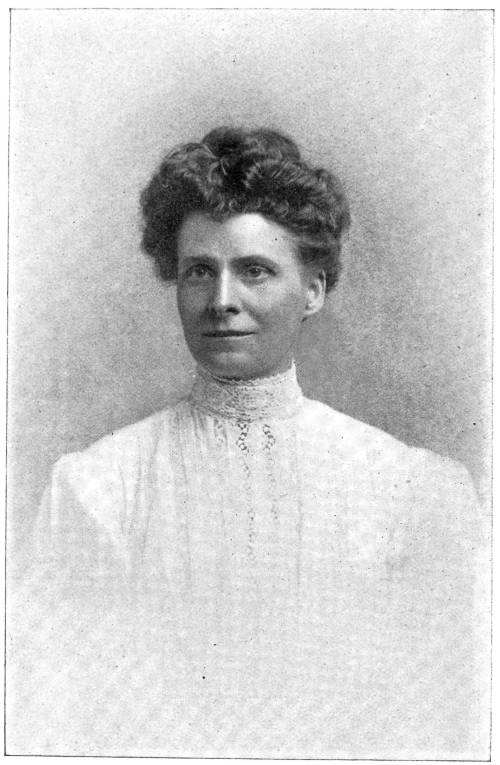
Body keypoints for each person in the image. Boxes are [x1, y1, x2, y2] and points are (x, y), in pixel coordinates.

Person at [8, 127, 489, 758]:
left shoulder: (415, 490)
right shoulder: (97, 488)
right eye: (199, 272)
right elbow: (53, 720)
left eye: (255, 271)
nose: (221, 301)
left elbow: (451, 727)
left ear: (313, 290)